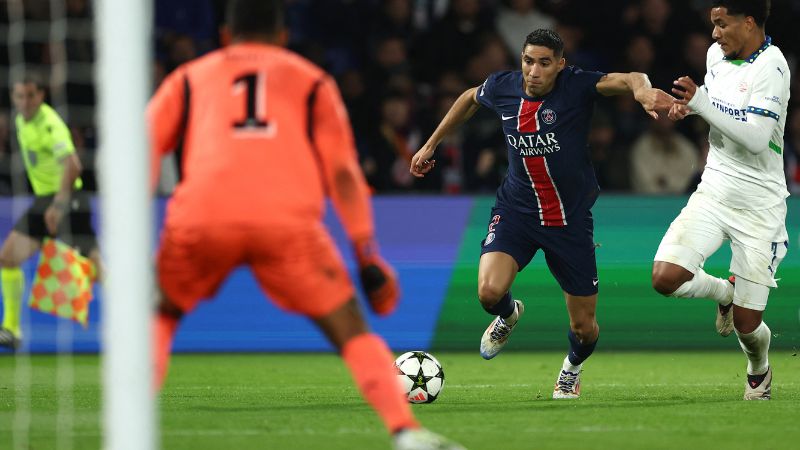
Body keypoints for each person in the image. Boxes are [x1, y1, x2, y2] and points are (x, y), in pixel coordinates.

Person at [146, 1, 464, 449]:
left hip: (203, 217)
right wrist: (366, 255)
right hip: (286, 223)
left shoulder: (188, 79)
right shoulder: (311, 81)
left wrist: (128, 233)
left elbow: (140, 149)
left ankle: (129, 429)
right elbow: (342, 173)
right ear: (282, 36)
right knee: (350, 327)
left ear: (222, 35)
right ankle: (406, 432)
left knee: (160, 314)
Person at [410, 29, 672, 399]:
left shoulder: (577, 86)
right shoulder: (503, 87)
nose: (534, 71)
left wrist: (642, 89)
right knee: (488, 292)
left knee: (584, 328)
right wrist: (430, 144)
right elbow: (470, 98)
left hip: (568, 220)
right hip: (517, 211)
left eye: (544, 63)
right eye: (528, 61)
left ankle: (572, 368)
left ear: (560, 65)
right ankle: (508, 314)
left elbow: (630, 77)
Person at [654, 0, 790, 401]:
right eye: (713, 24)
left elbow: (752, 138)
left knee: (749, 326)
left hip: (759, 205)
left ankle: (758, 368)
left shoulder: (774, 67)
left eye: (721, 24)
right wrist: (687, 109)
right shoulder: (717, 55)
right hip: (714, 189)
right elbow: (714, 103)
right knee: (664, 277)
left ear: (749, 22)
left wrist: (701, 103)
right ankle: (724, 293)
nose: (714, 34)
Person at [0, 74, 100, 350]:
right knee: (7, 258)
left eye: (31, 96)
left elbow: (74, 166)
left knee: (95, 269)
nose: (26, 102)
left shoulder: (50, 124)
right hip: (44, 201)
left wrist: (58, 205)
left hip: (68, 200)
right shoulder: (20, 121)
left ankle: (142, 314)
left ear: (41, 95)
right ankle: (11, 329)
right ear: (13, 97)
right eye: (20, 96)